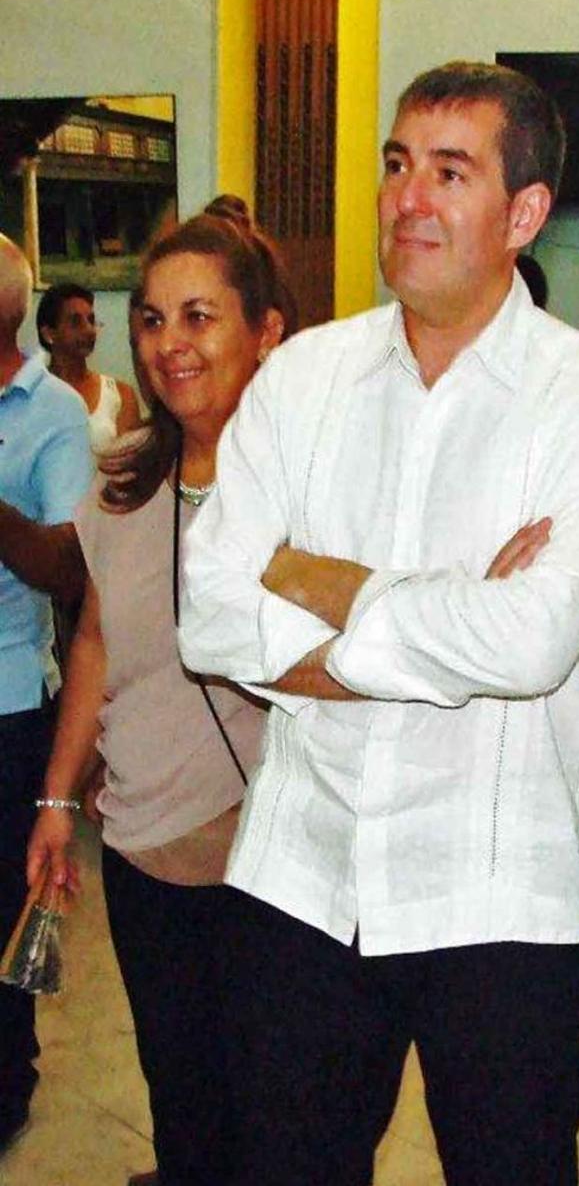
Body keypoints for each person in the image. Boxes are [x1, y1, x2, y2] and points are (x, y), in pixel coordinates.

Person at [177, 61, 579, 1186]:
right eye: (397, 165)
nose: (408, 198)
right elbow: (207, 613)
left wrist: (308, 581)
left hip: (497, 891)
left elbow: (529, 645)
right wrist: (443, 617)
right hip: (304, 874)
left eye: (451, 172)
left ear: (524, 214)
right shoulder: (303, 378)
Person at [25, 209, 293, 1186]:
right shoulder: (124, 484)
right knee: (180, 1094)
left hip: (273, 861)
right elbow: (94, 638)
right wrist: (58, 798)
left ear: (267, 331)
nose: (169, 345)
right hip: (142, 847)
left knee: (280, 1113)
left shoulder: (311, 489)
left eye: (198, 317)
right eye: (150, 319)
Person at [0, 234, 91, 1150]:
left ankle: (5, 1079)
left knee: (2, 899)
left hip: (7, 694)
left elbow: (67, 564)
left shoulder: (53, 411)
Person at [35, 282, 141, 451]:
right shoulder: (30, 395)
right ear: (49, 333)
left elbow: (132, 467)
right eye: (75, 322)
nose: (89, 330)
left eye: (91, 320)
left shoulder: (120, 396)